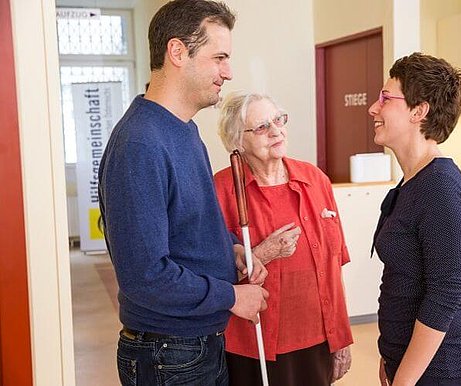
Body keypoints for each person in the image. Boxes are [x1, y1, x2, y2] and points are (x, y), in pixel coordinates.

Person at [98, 1, 269, 385]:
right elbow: (145, 276)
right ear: (178, 52)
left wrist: (232, 251)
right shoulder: (140, 144)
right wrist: (231, 297)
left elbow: (187, 224)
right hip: (168, 353)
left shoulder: (184, 130)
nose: (228, 72)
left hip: (193, 345)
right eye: (219, 57)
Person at [213, 91, 354, 386]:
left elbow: (333, 266)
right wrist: (261, 253)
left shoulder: (315, 180)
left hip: (317, 338)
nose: (276, 131)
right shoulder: (222, 189)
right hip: (253, 345)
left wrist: (341, 336)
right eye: (262, 127)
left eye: (278, 120)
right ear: (239, 140)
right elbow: (209, 274)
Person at [368, 52, 461, 386]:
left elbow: (444, 295)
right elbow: (402, 281)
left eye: (385, 98)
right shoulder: (413, 181)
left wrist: (404, 380)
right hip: (406, 362)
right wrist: (390, 356)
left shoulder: (441, 188)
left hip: (443, 371)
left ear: (418, 111)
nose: (373, 108)